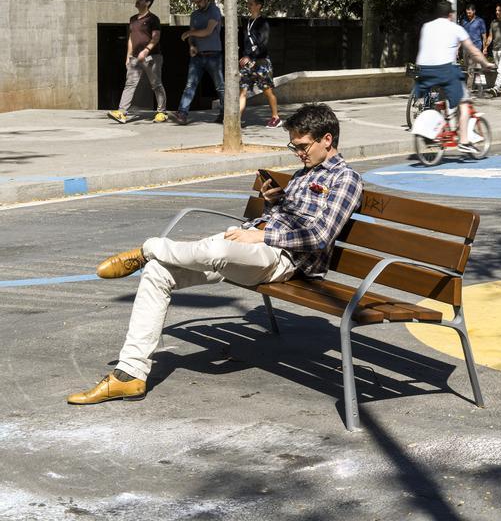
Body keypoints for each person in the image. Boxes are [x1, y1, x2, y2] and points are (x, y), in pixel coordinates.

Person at [67, 103, 364, 404]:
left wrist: (261, 235)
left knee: (218, 248)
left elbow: (319, 236)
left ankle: (149, 248)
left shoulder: (345, 180)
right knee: (158, 273)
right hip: (258, 249)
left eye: (302, 146)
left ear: (327, 139)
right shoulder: (304, 173)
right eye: (294, 147)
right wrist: (274, 204)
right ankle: (129, 375)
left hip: (284, 260)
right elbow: (292, 218)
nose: (298, 153)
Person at [414, 1, 491, 143]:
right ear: (450, 14)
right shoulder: (455, 27)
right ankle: (464, 141)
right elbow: (473, 50)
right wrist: (486, 63)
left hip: (424, 70)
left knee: (438, 99)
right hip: (444, 70)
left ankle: (437, 124)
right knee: (464, 102)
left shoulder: (426, 27)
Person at [108, 0, 168, 124]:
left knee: (156, 84)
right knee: (129, 84)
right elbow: (131, 38)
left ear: (147, 3)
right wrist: (128, 56)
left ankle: (161, 112)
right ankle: (122, 112)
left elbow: (156, 37)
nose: (137, 0)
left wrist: (146, 50)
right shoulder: (133, 19)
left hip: (152, 57)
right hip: (135, 58)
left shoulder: (153, 19)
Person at [174, 0, 224, 125]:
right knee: (190, 85)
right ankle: (182, 113)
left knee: (220, 86)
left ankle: (225, 114)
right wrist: (191, 45)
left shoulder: (214, 10)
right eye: (195, 2)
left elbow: (208, 31)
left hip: (214, 55)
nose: (198, 4)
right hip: (197, 56)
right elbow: (193, 36)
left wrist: (189, 33)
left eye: (200, 1)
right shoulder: (194, 14)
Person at [237, 0, 281, 128]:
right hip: (247, 63)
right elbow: (245, 43)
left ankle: (276, 117)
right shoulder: (247, 22)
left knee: (267, 90)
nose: (248, 6)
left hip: (261, 62)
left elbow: (263, 44)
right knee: (242, 91)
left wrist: (250, 56)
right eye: (248, 3)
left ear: (258, 6)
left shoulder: (263, 23)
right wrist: (244, 56)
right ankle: (237, 120)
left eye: (251, 4)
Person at [459, 4, 488, 95]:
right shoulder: (464, 21)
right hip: (465, 48)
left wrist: (485, 47)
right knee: (467, 68)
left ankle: (468, 89)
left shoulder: (480, 21)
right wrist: (458, 48)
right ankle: (477, 87)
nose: (468, 14)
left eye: (470, 12)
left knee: (471, 69)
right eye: (467, 13)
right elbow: (461, 36)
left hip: (476, 48)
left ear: (474, 11)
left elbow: (484, 35)